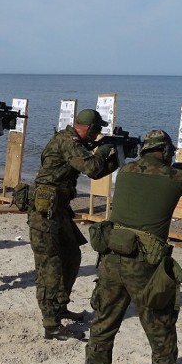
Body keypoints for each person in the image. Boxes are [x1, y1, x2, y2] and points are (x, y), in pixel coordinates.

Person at [84, 130, 182, 364]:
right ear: (166, 152)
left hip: (111, 257)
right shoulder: (177, 177)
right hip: (145, 265)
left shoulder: (125, 171)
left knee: (104, 322)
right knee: (160, 330)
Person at [29, 108, 119, 341]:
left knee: (71, 256)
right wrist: (105, 151)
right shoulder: (67, 141)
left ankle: (59, 307)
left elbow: (97, 172)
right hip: (45, 214)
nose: (97, 135)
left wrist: (116, 158)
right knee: (50, 267)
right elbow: (92, 168)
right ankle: (51, 324)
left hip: (58, 211)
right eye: (97, 130)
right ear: (88, 128)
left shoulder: (73, 142)